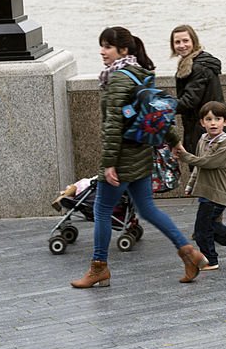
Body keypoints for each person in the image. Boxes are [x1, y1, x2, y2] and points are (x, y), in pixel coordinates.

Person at [71, 26, 208, 288]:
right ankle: (189, 253)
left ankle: (98, 268)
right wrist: (174, 142)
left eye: (108, 46)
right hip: (143, 154)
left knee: (101, 209)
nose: (102, 51)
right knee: (147, 209)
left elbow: (113, 126)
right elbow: (156, 111)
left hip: (122, 159)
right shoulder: (141, 75)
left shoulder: (117, 79)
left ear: (123, 50)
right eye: (101, 45)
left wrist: (109, 163)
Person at [170, 24, 226, 233]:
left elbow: (189, 101)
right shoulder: (192, 63)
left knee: (209, 180)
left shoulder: (198, 67)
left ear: (194, 42)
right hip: (204, 129)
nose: (182, 45)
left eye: (185, 40)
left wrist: (162, 106)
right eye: (177, 42)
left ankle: (216, 224)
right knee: (211, 179)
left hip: (207, 131)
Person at [175, 101, 226, 269]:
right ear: (202, 123)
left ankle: (210, 260)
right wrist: (190, 185)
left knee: (202, 230)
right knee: (209, 227)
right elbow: (199, 166)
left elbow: (208, 162)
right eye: (209, 119)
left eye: (218, 119)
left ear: (225, 122)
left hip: (217, 192)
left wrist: (184, 155)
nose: (213, 123)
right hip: (205, 192)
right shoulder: (203, 139)